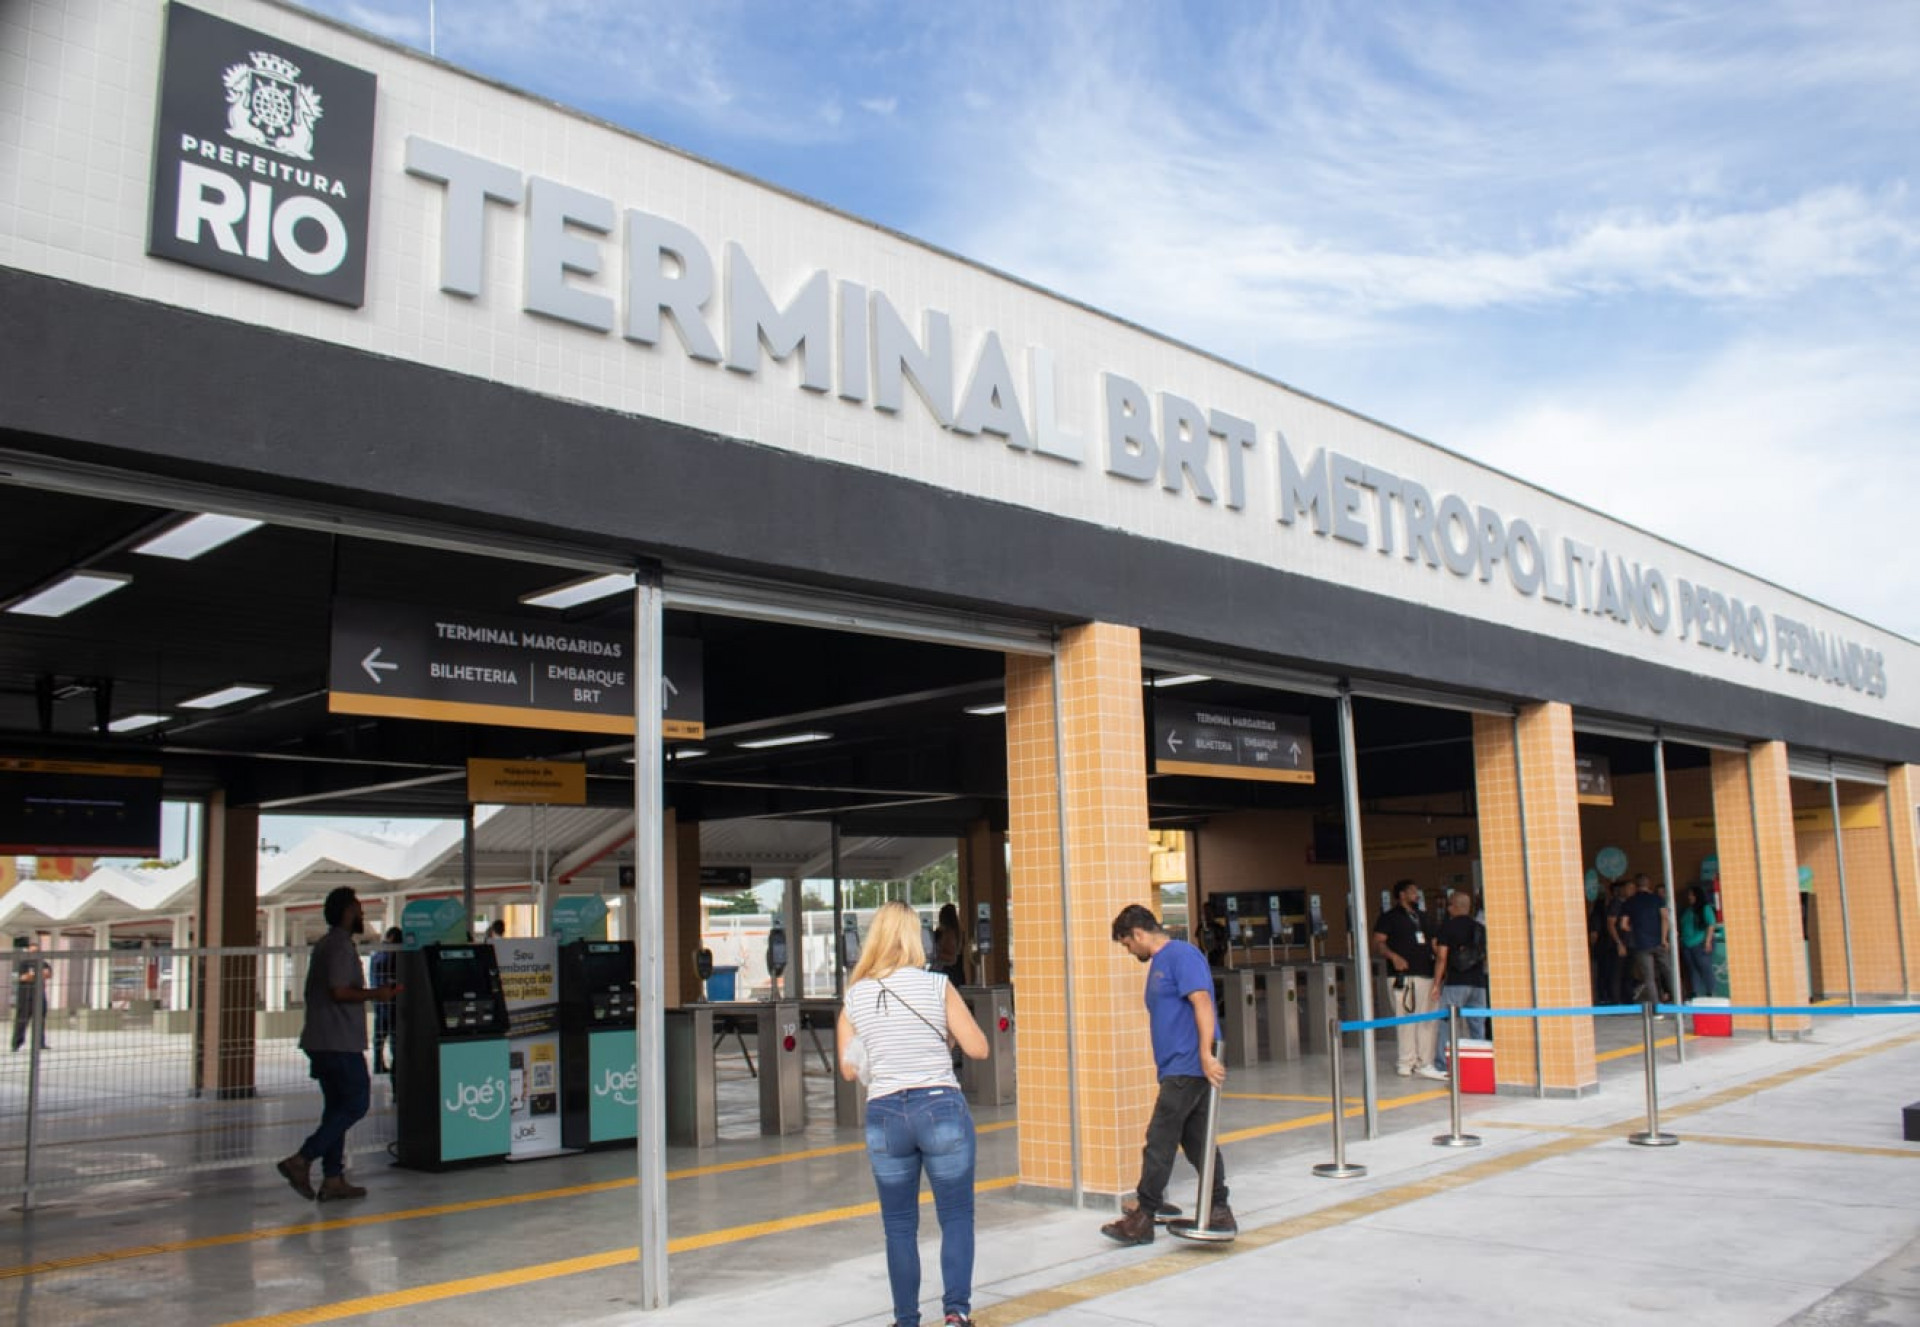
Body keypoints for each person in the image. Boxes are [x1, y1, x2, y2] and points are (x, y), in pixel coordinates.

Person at [838, 900, 988, 1327]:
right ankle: (956, 1314)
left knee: (899, 1226)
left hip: (885, 1114)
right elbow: (978, 1047)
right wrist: (946, 1041)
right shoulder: (937, 986)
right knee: (956, 1216)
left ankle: (906, 1320)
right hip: (940, 1105)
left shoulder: (856, 996)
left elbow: (850, 1070)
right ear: (915, 939)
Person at [1099, 903, 1234, 1246]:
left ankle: (1143, 1216)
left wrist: (1205, 1054)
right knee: (1197, 1141)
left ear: (1139, 934)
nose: (1129, 951)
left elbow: (1202, 1001)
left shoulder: (1181, 955)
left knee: (1159, 1138)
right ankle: (1219, 1208)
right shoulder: (1161, 963)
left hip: (1187, 1065)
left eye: (1127, 944)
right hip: (1178, 1065)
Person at [277, 887, 399, 1203]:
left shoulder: (328, 945)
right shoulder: (339, 947)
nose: (361, 914)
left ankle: (333, 1178)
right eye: (358, 908)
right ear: (346, 912)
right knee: (357, 1102)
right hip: (337, 1041)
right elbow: (340, 992)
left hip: (324, 1039)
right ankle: (302, 1159)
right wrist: (378, 994)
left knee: (336, 1109)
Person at [1373, 879, 1443, 1079]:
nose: (1416, 894)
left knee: (1427, 1021)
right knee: (1405, 1020)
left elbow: (1434, 942)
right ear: (1402, 894)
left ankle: (1424, 1062)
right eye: (1412, 891)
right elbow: (1378, 943)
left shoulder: (1423, 916)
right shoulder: (1389, 917)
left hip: (1426, 974)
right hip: (1402, 976)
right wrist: (1393, 957)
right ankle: (1405, 1061)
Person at [1430, 889, 1488, 1073]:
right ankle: (1479, 1064)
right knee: (1477, 1025)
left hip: (1456, 982)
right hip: (1478, 983)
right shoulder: (1480, 928)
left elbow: (1442, 957)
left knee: (1447, 1023)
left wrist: (1436, 984)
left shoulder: (1448, 927)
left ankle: (1443, 1064)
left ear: (1453, 907)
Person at [1619, 873, 1673, 1006]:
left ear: (1636, 886)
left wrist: (1635, 929)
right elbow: (1665, 917)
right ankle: (1679, 1002)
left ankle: (1657, 1008)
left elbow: (1623, 925)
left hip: (1641, 944)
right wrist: (1664, 938)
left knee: (1649, 978)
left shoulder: (1629, 901)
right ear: (1648, 884)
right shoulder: (1657, 899)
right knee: (1669, 972)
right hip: (1658, 941)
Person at [369, 927, 402, 1074]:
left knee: (379, 1035)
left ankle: (378, 1064)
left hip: (379, 1000)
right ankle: (397, 1065)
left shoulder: (377, 954)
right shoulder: (393, 955)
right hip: (392, 1001)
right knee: (395, 1035)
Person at [1678, 883, 1717, 1000]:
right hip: (1687, 944)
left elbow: (1711, 924)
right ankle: (1695, 993)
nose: (1689, 897)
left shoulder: (1705, 908)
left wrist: (1708, 941)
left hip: (1700, 943)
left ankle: (1711, 992)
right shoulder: (1689, 910)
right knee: (1692, 969)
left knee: (1705, 968)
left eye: (1691, 895)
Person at [11, 937, 49, 1052]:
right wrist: (36, 974)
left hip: (39, 995)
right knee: (22, 1020)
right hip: (25, 996)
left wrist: (33, 975)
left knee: (40, 1020)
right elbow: (22, 977)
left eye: (36, 951)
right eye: (32, 951)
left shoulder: (43, 962)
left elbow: (47, 974)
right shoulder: (22, 963)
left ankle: (40, 1043)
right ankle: (16, 1044)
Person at [932, 903, 968, 986]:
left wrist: (935, 954)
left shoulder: (947, 934)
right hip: (958, 973)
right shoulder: (960, 933)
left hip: (947, 973)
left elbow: (952, 958)